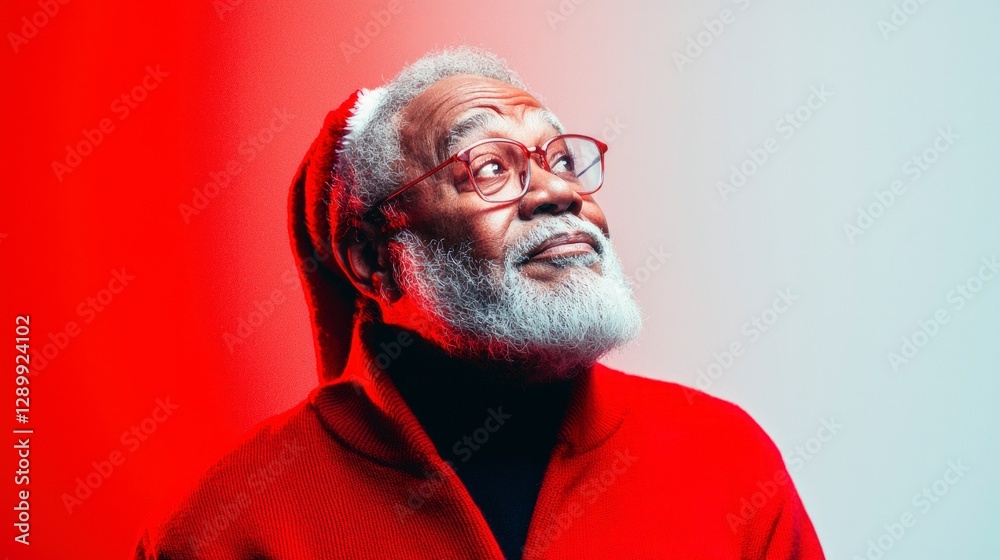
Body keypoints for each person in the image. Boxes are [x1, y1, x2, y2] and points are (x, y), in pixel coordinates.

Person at [134, 46, 825, 559]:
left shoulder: (725, 460)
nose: (560, 193)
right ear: (375, 258)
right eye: (490, 167)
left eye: (561, 160)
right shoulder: (231, 525)